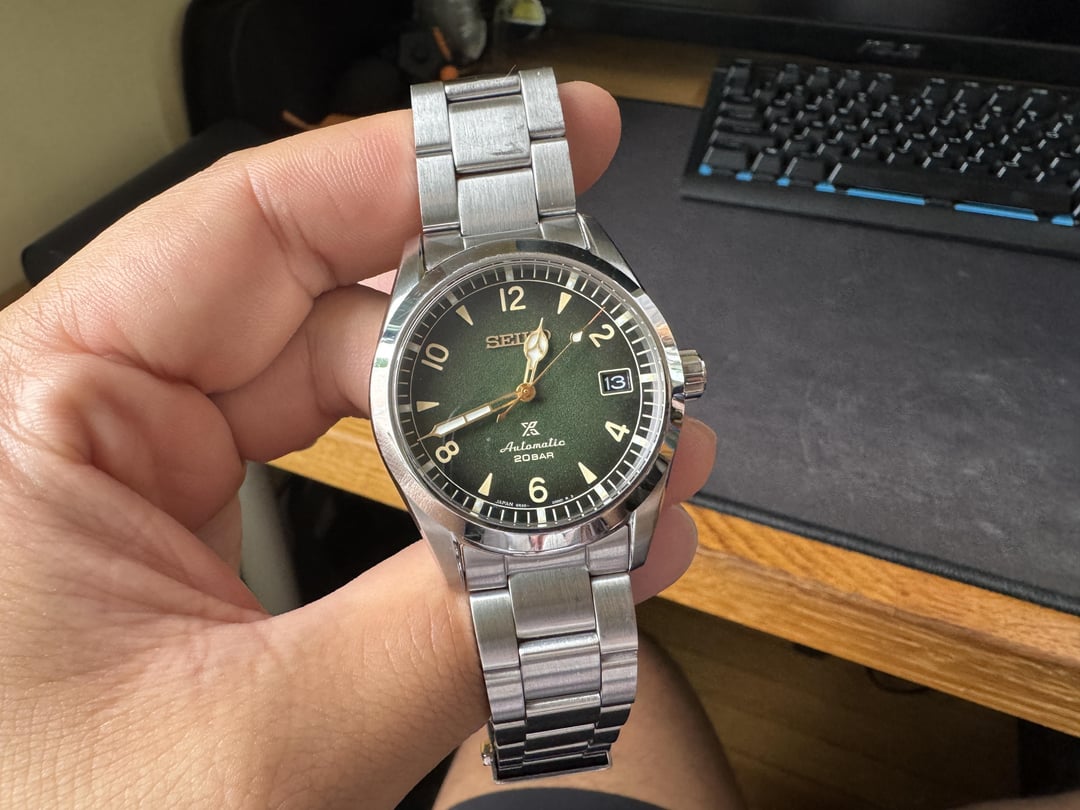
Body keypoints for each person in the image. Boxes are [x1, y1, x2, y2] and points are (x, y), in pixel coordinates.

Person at [0, 80, 1073, 810]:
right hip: (501, 506)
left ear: (670, 372)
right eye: (510, 392)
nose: (520, 397)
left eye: (527, 388)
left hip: (565, 489)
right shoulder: (428, 376)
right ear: (400, 412)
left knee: (631, 681)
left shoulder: (589, 321)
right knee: (632, 670)